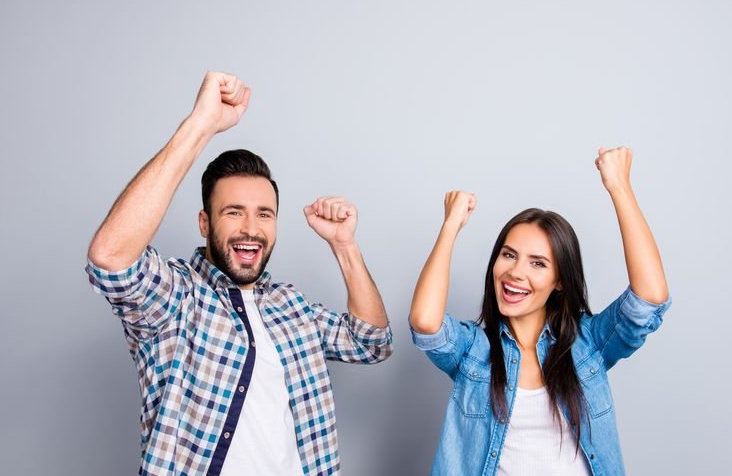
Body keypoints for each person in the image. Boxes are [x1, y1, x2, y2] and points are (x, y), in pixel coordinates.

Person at [85, 71, 392, 476]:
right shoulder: (174, 296)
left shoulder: (291, 306)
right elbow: (110, 257)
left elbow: (371, 342)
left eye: (264, 214)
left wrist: (344, 245)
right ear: (204, 222)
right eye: (234, 212)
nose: (251, 228)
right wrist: (201, 125)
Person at [409, 147, 670, 475]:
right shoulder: (474, 351)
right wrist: (450, 227)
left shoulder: (588, 344)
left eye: (538, 263)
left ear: (559, 281)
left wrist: (619, 186)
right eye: (508, 255)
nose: (516, 272)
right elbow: (425, 322)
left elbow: (649, 298)